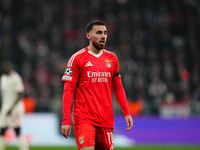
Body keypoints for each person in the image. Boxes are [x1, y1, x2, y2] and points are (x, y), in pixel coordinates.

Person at [61, 20, 133, 150]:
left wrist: (127, 112)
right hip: (84, 119)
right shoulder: (77, 58)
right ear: (88, 36)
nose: (103, 36)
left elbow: (118, 87)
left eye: (105, 33)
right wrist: (66, 120)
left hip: (106, 120)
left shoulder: (112, 58)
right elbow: (68, 90)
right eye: (98, 33)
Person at [0, 61, 29, 150]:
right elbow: (3, 95)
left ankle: (24, 148)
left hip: (15, 108)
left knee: (17, 131)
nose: (5, 69)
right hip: (5, 107)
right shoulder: (3, 78)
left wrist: (12, 108)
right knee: (2, 130)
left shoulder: (15, 77)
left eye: (7, 67)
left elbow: (20, 94)